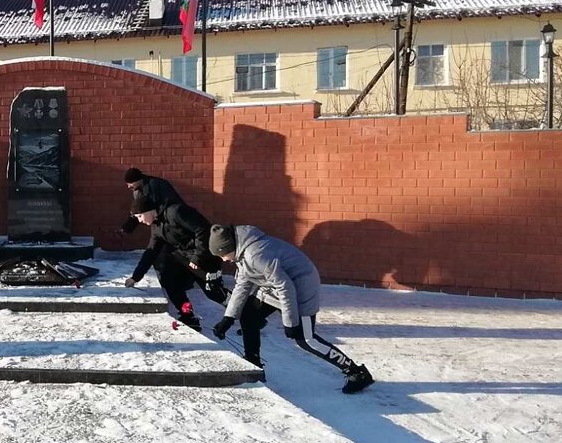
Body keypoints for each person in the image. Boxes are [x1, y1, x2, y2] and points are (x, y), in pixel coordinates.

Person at [208, 224, 375, 393]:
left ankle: (357, 372)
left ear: (228, 247)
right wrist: (228, 318)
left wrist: (290, 322)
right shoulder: (243, 252)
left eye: (222, 255)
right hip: (275, 288)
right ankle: (254, 366)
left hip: (301, 287)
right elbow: (243, 284)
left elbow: (285, 287)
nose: (224, 260)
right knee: (249, 315)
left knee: (305, 340)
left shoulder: (255, 254)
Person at [122, 193, 229, 334]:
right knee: (168, 279)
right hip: (184, 257)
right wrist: (136, 277)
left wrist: (198, 257)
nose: (140, 221)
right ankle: (188, 315)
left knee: (214, 293)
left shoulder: (176, 212)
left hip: (205, 257)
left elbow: (203, 230)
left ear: (148, 211)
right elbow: (151, 252)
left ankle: (249, 313)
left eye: (140, 216)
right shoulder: (157, 227)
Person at [117, 167, 184, 236]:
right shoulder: (137, 191)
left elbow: (164, 203)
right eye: (127, 184)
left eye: (130, 183)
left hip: (172, 220)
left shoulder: (155, 185)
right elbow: (137, 210)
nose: (129, 187)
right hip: (159, 223)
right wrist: (126, 228)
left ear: (138, 180)